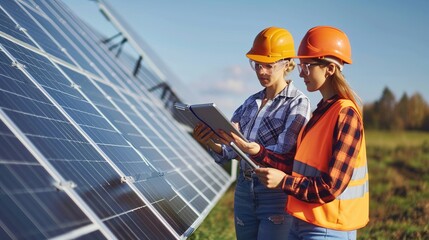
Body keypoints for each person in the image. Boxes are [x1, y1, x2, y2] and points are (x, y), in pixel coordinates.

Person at [220, 26, 369, 240]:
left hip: (329, 228)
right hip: (305, 221)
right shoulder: (322, 112)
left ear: (330, 68)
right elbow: (294, 164)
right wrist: (256, 150)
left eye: (307, 66)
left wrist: (283, 183)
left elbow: (330, 187)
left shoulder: (345, 114)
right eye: (301, 65)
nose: (301, 72)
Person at [193, 26, 311, 240]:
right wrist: (211, 142)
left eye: (268, 65)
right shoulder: (249, 103)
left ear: (287, 64)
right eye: (257, 65)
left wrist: (250, 149)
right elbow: (229, 150)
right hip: (244, 191)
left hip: (274, 194)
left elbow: (284, 153)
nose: (261, 71)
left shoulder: (297, 103)